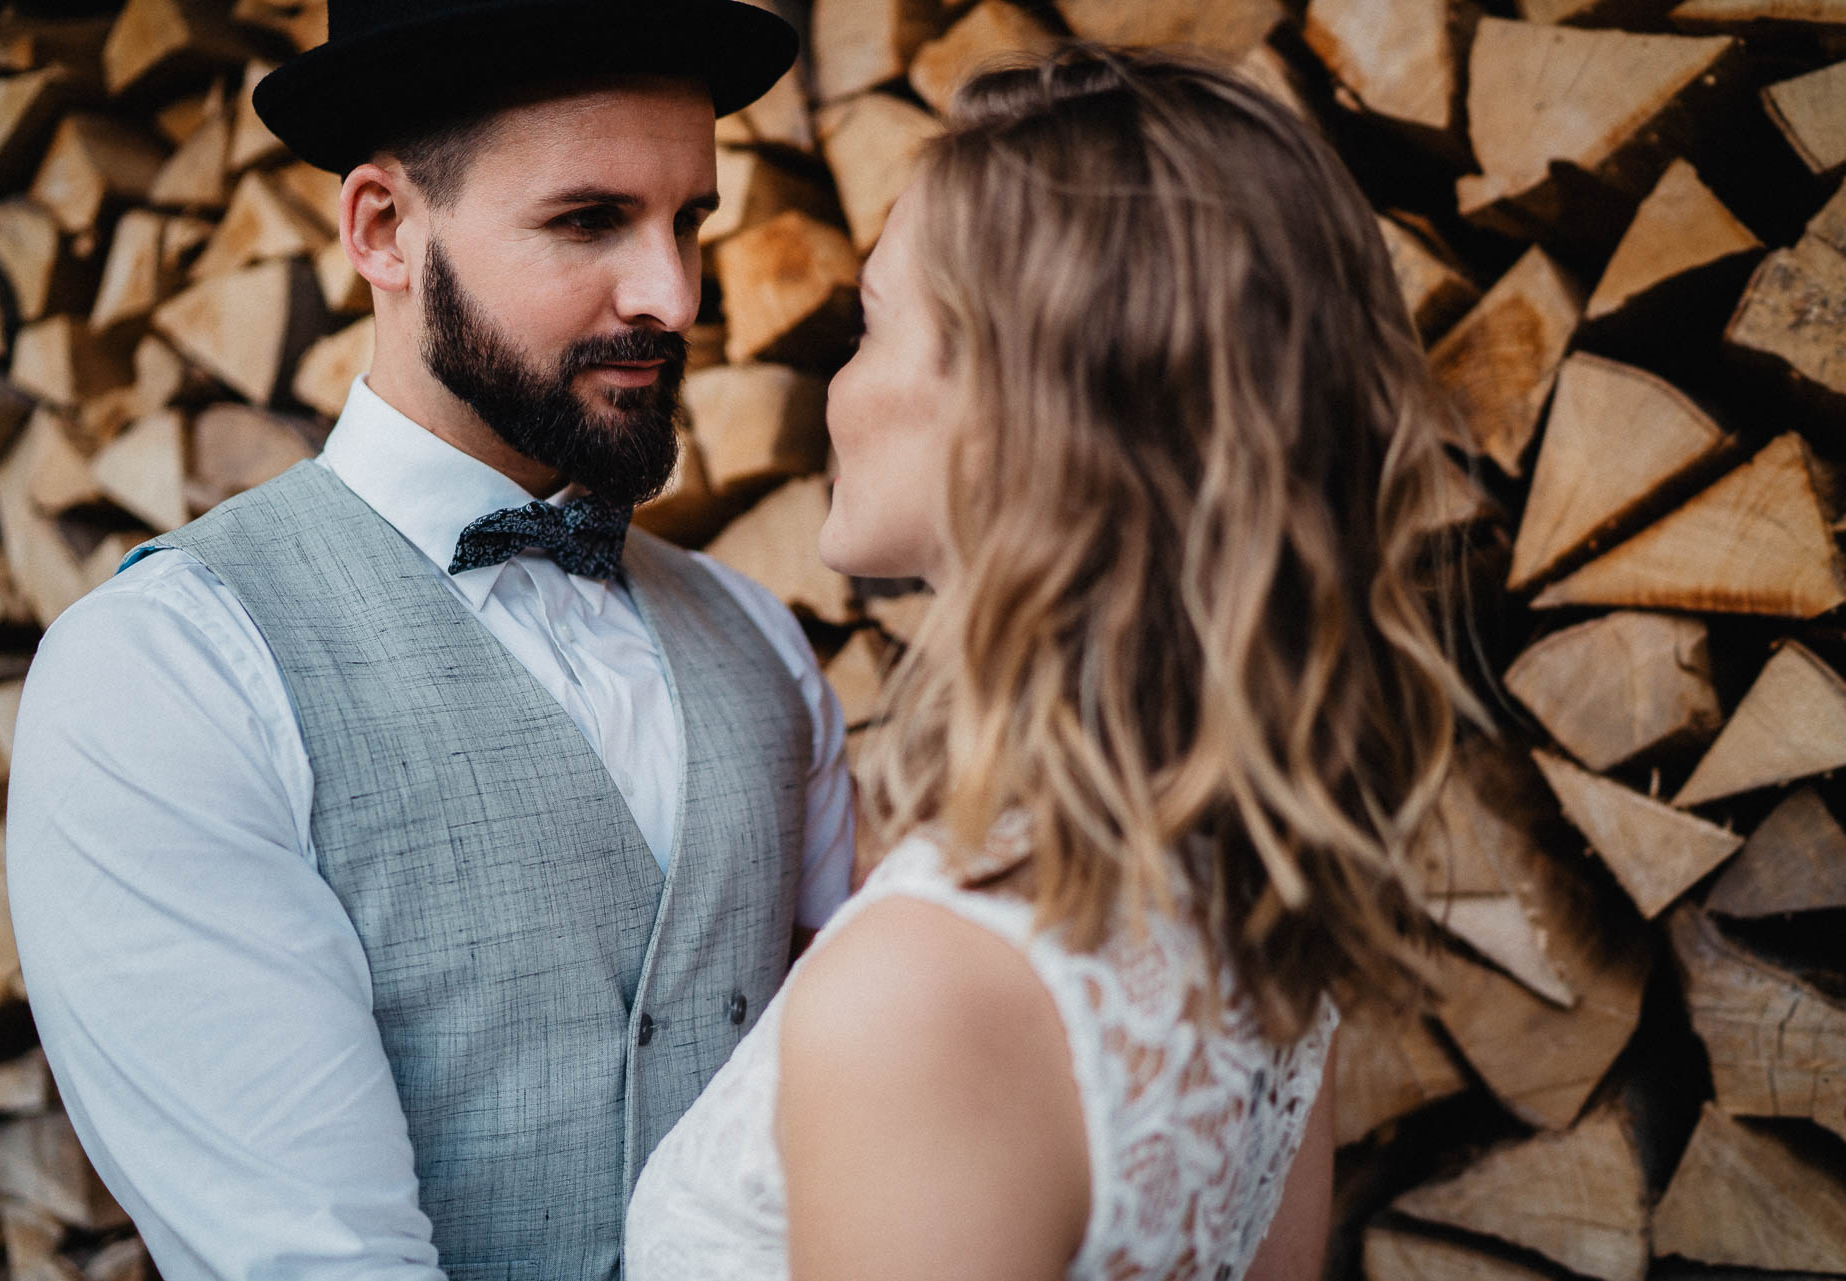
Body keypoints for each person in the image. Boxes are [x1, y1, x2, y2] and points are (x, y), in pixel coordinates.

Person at [4, 2, 854, 1277]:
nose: (673, 296)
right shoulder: (169, 675)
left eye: (691, 221)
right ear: (385, 231)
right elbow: (308, 1258)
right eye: (588, 221)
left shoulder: (762, 641)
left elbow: (858, 1122)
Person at [626, 46, 1481, 1281]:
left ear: (1015, 405)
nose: (838, 387)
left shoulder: (928, 990)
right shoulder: (1253, 924)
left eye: (870, 327)